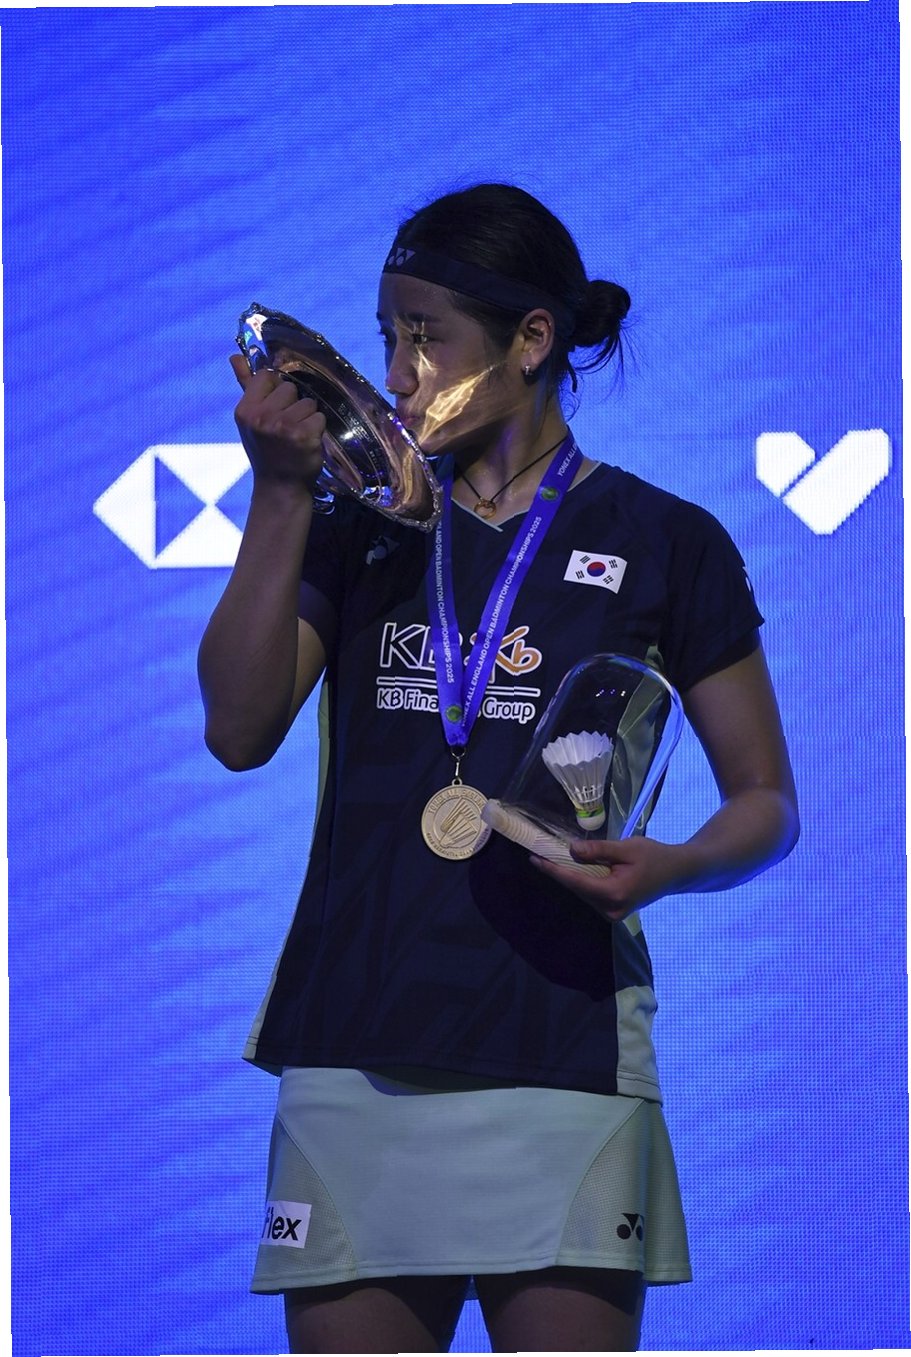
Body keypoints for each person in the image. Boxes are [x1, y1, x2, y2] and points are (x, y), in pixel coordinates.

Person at [198, 183, 799, 1354]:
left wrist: (669, 865)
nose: (395, 371)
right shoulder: (354, 529)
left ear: (531, 341)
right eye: (385, 335)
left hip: (560, 1048)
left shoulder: (665, 540)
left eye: (426, 337)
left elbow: (765, 803)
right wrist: (277, 493)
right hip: (354, 1048)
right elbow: (236, 728)